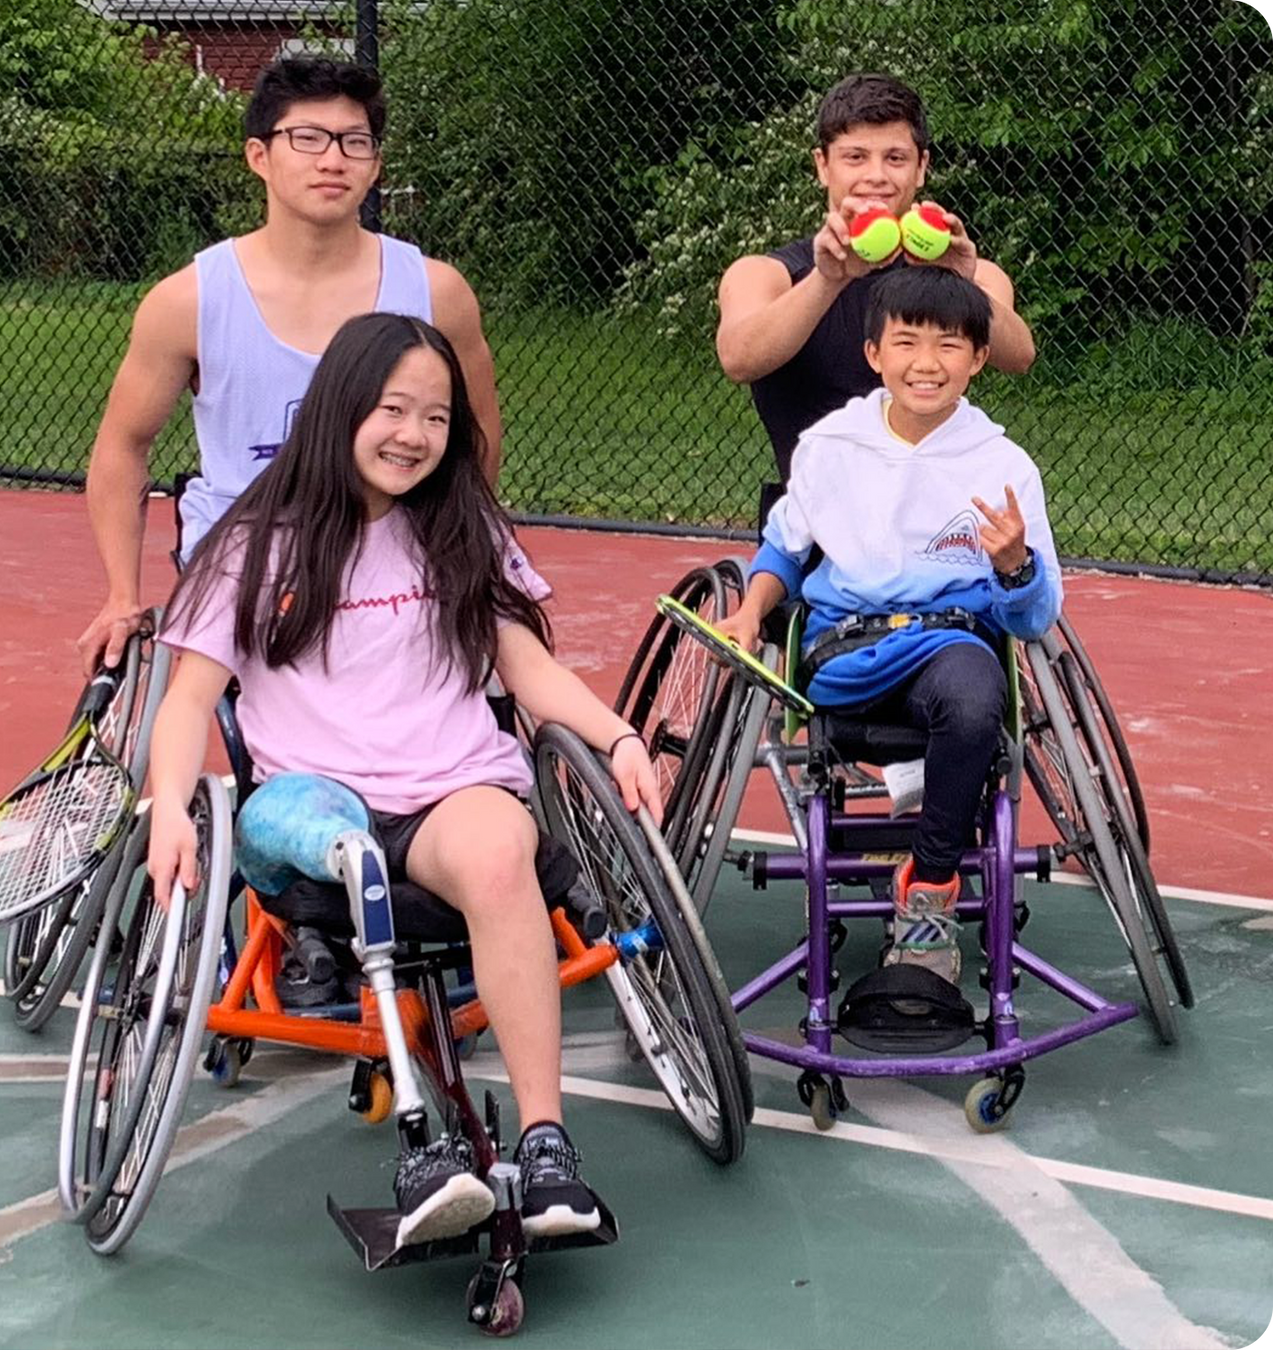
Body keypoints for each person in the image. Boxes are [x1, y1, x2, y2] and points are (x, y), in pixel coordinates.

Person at [146, 311, 660, 1247]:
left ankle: (546, 1149)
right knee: (351, 852)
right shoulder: (255, 541)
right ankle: (425, 1142)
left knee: (504, 843)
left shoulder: (463, 532)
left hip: (446, 792)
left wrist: (619, 736)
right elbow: (187, 703)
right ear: (341, 408)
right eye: (392, 409)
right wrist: (171, 811)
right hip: (309, 803)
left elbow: (529, 673)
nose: (413, 435)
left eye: (435, 417)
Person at [78, 56, 502, 676]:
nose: (333, 160)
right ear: (259, 156)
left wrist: (463, 552)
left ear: (375, 165)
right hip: (247, 561)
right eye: (308, 138)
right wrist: (121, 595)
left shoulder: (436, 293)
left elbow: (478, 437)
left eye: (355, 142)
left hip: (395, 554)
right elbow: (121, 448)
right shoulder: (188, 302)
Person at [717, 268, 1062, 987]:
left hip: (950, 644)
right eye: (906, 342)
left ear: (976, 358)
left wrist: (1014, 564)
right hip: (846, 651)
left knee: (975, 700)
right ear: (874, 354)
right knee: (940, 690)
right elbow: (783, 547)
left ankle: (928, 896)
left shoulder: (1004, 466)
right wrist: (750, 614)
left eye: (949, 346)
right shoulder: (830, 444)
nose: (926, 363)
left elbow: (1035, 615)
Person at [716, 72, 1037, 489]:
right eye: (855, 157)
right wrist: (828, 280)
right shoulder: (765, 274)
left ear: (921, 167)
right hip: (813, 531)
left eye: (895, 158)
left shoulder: (971, 272)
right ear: (822, 166)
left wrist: (961, 278)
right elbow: (739, 359)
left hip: (935, 522)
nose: (876, 175)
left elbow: (1020, 356)